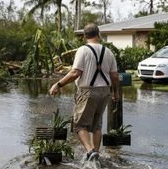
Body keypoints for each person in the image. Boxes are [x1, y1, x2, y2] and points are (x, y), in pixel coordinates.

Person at [49, 23, 119, 161]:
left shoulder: (83, 50)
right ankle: (95, 155)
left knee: (79, 125)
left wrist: (58, 84)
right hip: (105, 91)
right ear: (98, 35)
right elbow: (115, 76)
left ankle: (90, 151)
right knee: (97, 125)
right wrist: (115, 93)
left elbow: (75, 73)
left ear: (84, 36)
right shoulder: (108, 52)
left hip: (88, 91)